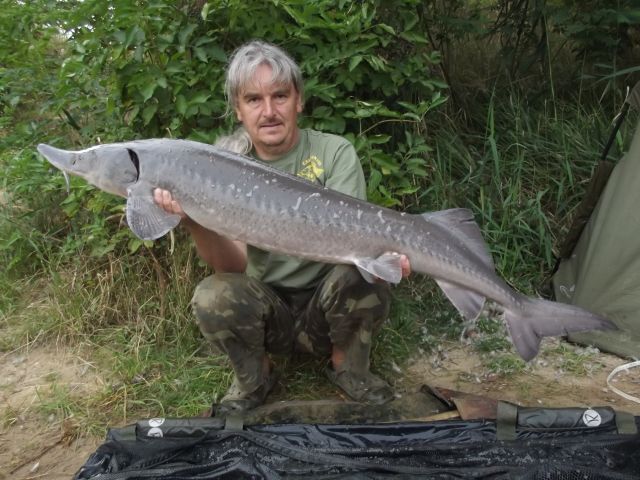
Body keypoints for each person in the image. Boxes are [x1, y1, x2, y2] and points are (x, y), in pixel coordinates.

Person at [154, 40, 410, 413]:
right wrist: (194, 220)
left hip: (326, 304)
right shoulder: (225, 169)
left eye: (280, 96)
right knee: (213, 293)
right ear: (238, 111)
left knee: (362, 274)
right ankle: (256, 374)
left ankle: (348, 366)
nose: (269, 111)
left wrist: (385, 258)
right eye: (254, 100)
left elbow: (359, 239)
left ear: (299, 101)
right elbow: (232, 267)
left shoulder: (333, 152)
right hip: (270, 312)